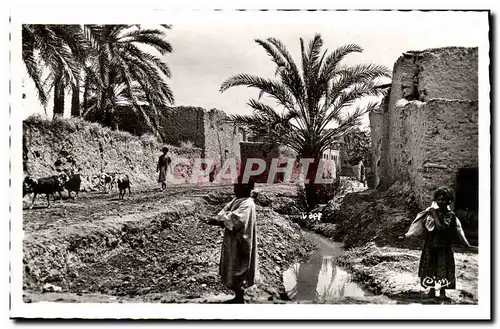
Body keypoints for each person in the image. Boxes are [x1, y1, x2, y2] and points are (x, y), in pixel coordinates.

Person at [405, 186, 471, 300]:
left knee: (442, 269)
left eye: (443, 199)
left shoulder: (450, 215)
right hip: (430, 245)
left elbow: (441, 228)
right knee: (430, 268)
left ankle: (442, 292)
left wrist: (434, 215)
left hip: (443, 247)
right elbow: (427, 228)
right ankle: (431, 291)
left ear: (449, 201)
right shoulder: (431, 213)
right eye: (438, 199)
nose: (440, 202)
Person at [207, 177, 259, 303]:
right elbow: (224, 213)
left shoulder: (247, 203)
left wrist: (220, 220)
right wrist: (223, 218)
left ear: (245, 188)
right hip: (233, 239)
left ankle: (240, 297)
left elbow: (235, 219)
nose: (234, 188)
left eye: (237, 186)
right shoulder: (237, 200)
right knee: (233, 265)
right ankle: (238, 296)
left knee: (239, 267)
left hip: (241, 241)